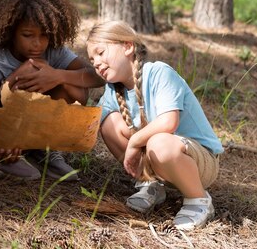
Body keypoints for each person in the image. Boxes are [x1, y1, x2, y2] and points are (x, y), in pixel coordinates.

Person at [86, 20, 223, 230]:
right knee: (108, 123)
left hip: (198, 162)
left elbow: (169, 122)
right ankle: (150, 184)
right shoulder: (114, 90)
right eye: (92, 59)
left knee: (158, 141)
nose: (96, 62)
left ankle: (198, 200)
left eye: (101, 52)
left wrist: (133, 143)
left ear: (128, 46)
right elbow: (91, 122)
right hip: (160, 162)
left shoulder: (159, 72)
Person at [0, 0, 104, 180]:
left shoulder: (53, 51)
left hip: (37, 127)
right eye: (27, 35)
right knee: (18, 83)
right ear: (10, 32)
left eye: (44, 35)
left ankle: (43, 150)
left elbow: (97, 76)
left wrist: (57, 76)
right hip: (5, 133)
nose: (37, 43)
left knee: (73, 87)